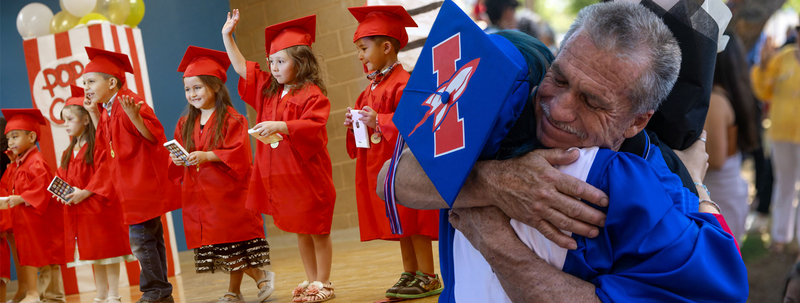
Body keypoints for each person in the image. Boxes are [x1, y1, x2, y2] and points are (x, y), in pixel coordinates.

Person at [380, 1, 747, 302]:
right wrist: (490, 183)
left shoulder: (643, 180)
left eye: (592, 101)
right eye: (560, 78)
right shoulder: (504, 99)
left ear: (637, 122)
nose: (558, 109)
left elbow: (716, 286)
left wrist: (493, 239)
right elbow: (389, 179)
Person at [222, 11, 337, 303]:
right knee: (300, 229)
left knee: (317, 230)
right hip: (284, 178)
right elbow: (241, 68)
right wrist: (228, 36)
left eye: (281, 61)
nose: (273, 67)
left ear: (301, 62)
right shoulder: (269, 92)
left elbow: (314, 125)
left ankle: (324, 281)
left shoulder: (312, 94)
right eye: (271, 61)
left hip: (308, 177)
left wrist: (282, 126)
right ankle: (311, 278)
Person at [343, 5, 442, 299]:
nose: (360, 56)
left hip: (404, 166)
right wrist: (354, 125)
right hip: (381, 164)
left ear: (387, 47)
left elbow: (417, 126)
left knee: (413, 220)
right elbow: (364, 133)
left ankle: (428, 275)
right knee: (398, 221)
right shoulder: (370, 88)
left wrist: (379, 120)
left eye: (363, 48)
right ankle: (409, 272)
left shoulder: (404, 83)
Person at [168, 46, 274, 303]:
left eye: (197, 87)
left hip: (228, 194)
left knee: (230, 243)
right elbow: (182, 152)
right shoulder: (185, 123)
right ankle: (235, 290)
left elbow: (239, 153)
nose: (191, 94)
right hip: (201, 196)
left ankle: (260, 275)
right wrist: (176, 158)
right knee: (222, 245)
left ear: (214, 86)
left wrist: (209, 155)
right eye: (187, 89)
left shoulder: (232, 119)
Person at [81, 47, 180, 303]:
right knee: (150, 240)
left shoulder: (129, 102)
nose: (87, 87)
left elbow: (153, 137)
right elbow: (104, 144)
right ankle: (161, 292)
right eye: (84, 83)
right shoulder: (110, 109)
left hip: (141, 187)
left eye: (91, 81)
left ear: (112, 82)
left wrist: (135, 118)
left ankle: (154, 291)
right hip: (130, 188)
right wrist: (93, 112)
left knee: (142, 242)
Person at [56, 86, 135, 303]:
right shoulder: (67, 152)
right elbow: (62, 178)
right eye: (63, 120)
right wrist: (60, 193)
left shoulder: (97, 146)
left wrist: (87, 191)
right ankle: (100, 295)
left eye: (70, 119)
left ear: (85, 120)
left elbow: (107, 171)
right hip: (81, 211)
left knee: (109, 253)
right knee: (94, 255)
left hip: (100, 207)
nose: (65, 125)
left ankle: (114, 295)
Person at [1, 109, 67, 303]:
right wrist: (12, 164)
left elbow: (43, 186)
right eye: (8, 138)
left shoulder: (35, 162)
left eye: (15, 136)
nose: (11, 142)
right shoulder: (21, 163)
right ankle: (47, 298)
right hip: (30, 224)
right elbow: (8, 184)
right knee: (41, 263)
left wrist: (22, 198)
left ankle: (53, 299)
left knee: (48, 263)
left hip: (42, 223)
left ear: (31, 136)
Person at [703, 32, 760, 243]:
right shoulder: (730, 92)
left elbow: (715, 160)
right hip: (728, 189)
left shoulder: (716, 100)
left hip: (719, 196)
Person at [751, 25, 800, 254]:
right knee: (784, 183)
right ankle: (780, 238)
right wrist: (762, 65)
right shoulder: (783, 58)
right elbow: (763, 91)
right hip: (781, 133)